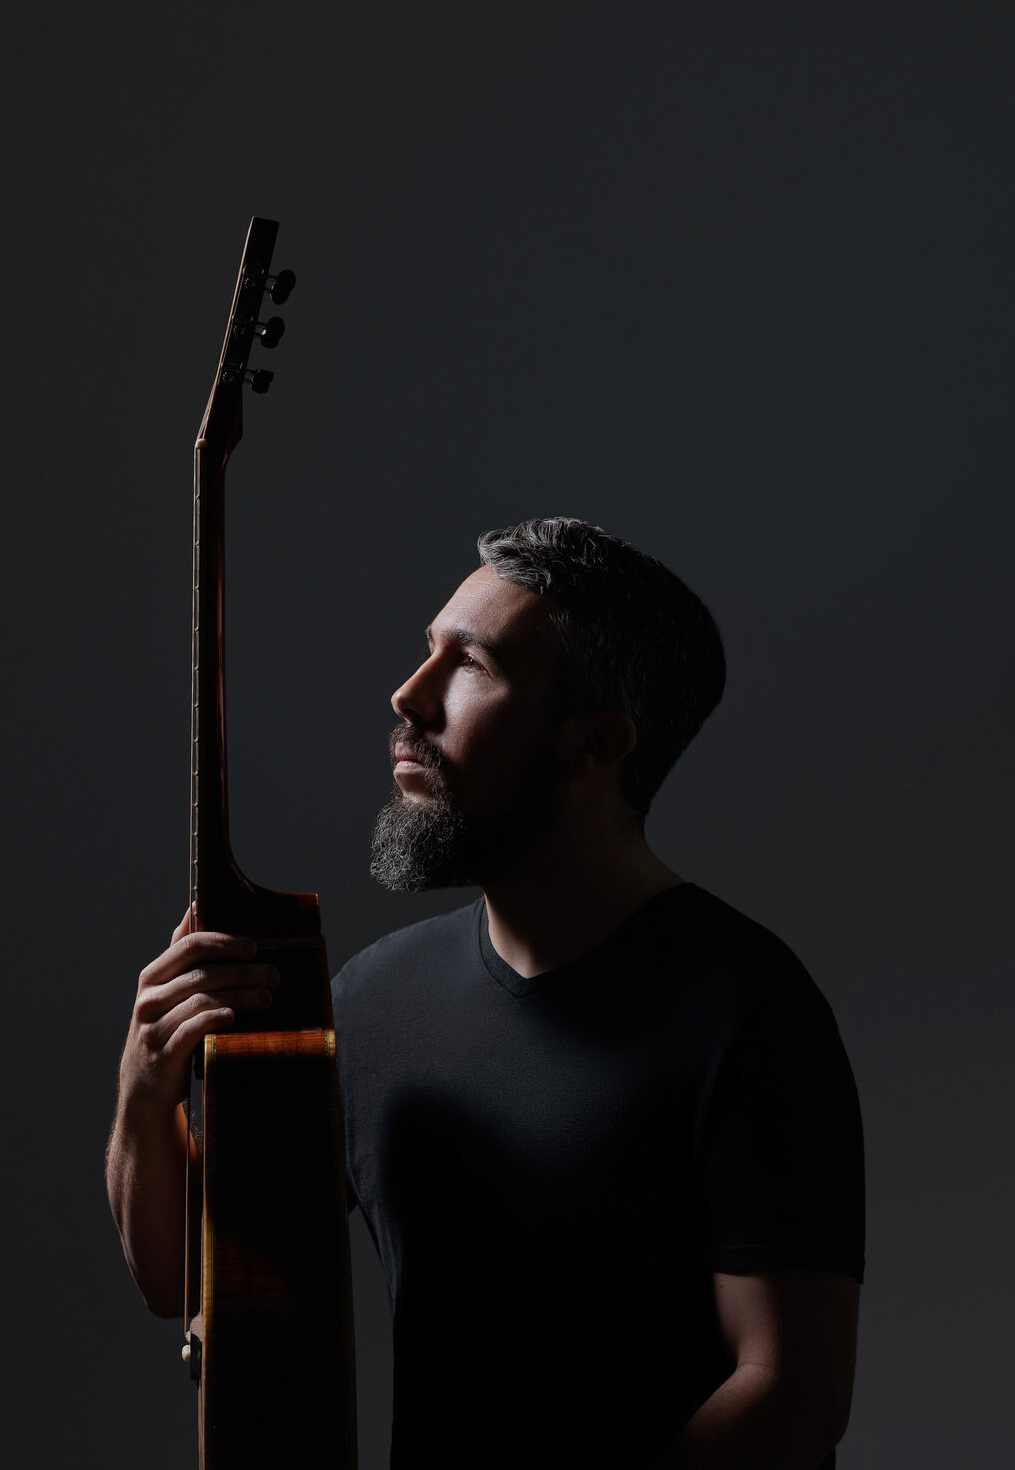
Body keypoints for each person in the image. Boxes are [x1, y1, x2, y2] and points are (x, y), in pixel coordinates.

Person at [107, 517, 865, 1469]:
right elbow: (190, 1282)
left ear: (594, 744)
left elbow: (792, 1396)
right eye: (428, 651)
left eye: (470, 665)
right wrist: (146, 1092)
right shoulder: (376, 1001)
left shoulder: (751, 1011)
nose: (409, 695)